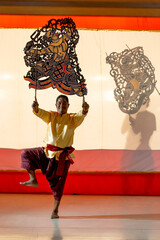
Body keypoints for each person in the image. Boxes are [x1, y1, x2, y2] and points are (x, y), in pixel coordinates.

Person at [20, 94, 89, 218]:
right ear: (56, 105)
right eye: (59, 103)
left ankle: (55, 211)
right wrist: (35, 108)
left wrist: (84, 110)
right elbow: (40, 113)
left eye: (64, 103)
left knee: (58, 185)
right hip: (47, 153)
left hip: (62, 158)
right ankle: (33, 179)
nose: (61, 105)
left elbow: (81, 114)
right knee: (26, 153)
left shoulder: (72, 119)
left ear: (68, 106)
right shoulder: (51, 116)